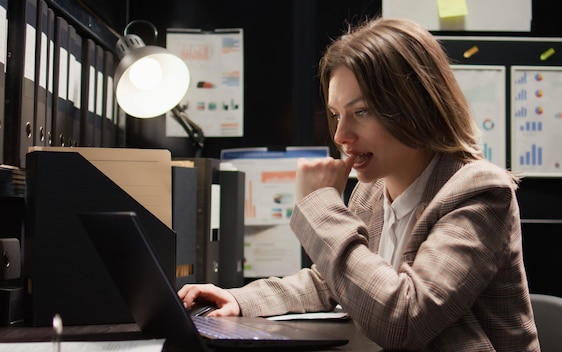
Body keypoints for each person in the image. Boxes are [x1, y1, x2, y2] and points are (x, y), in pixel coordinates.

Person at [178, 16, 540, 351]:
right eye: (336, 115)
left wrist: (321, 205)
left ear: (416, 107)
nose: (340, 135)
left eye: (361, 112)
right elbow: (333, 281)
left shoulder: (478, 191)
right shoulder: (371, 189)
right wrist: (241, 300)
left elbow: (403, 320)